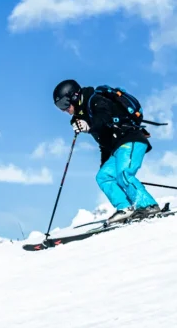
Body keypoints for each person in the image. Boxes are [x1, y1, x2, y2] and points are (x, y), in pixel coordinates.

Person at [53, 79, 160, 223]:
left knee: (123, 173)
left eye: (64, 104)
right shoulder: (85, 114)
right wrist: (104, 164)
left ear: (74, 96)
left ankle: (148, 205)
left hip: (131, 140)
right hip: (117, 147)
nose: (64, 110)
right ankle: (125, 207)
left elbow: (103, 118)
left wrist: (89, 126)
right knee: (103, 176)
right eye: (59, 107)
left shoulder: (96, 100)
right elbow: (103, 142)